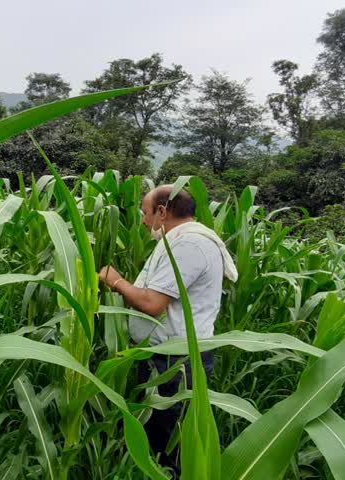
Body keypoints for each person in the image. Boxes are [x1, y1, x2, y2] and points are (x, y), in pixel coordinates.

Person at [98, 185, 238, 475]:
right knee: (156, 435)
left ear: (162, 212)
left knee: (168, 445)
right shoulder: (181, 241)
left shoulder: (189, 245)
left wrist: (117, 281)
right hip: (166, 357)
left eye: (146, 213)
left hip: (176, 363)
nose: (143, 221)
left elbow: (152, 303)